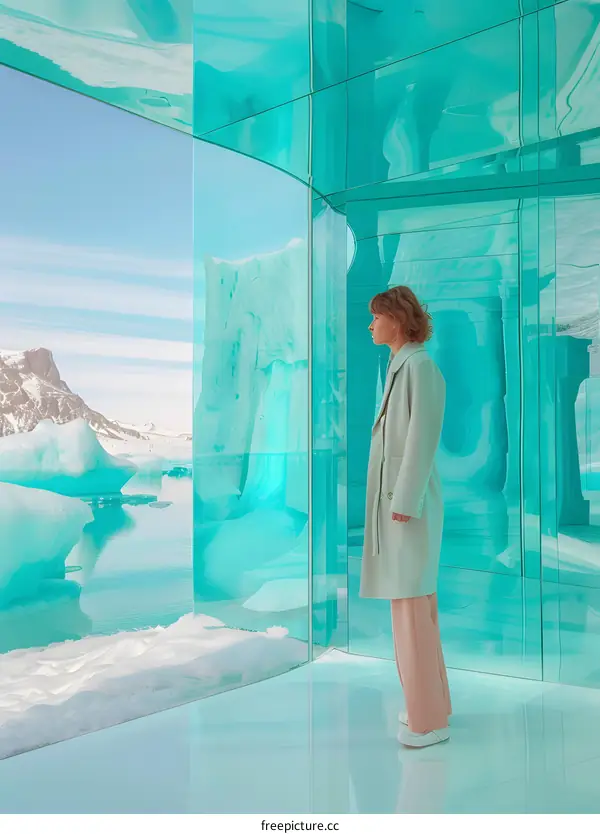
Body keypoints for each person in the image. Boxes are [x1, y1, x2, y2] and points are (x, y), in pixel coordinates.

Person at [360, 285, 451, 749]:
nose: (370, 325)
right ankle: (430, 704)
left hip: (406, 510)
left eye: (376, 317)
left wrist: (403, 501)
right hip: (400, 507)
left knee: (413, 609)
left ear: (397, 319)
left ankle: (428, 720)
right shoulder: (402, 367)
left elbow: (423, 438)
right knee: (412, 609)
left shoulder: (419, 367)